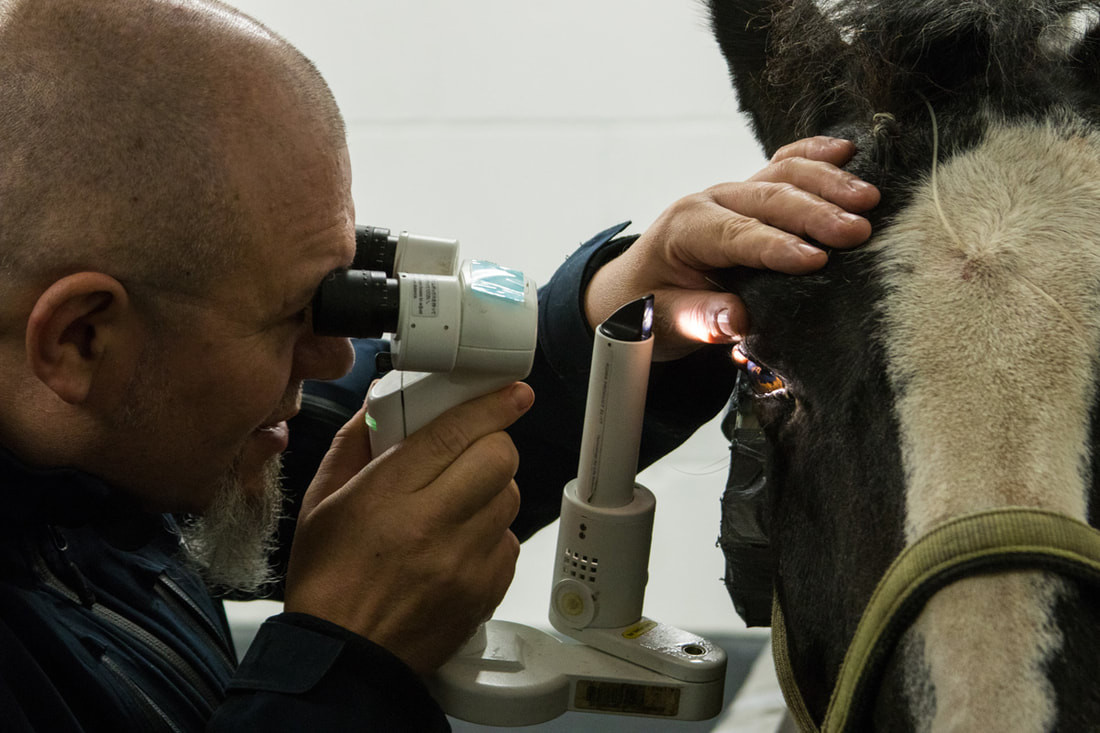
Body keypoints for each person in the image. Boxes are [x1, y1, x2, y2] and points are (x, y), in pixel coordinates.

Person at [0, 0, 880, 730]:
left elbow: (347, 450)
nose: (340, 351)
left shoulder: (100, 466)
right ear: (79, 339)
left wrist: (623, 307)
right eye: (292, 317)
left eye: (339, 293)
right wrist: (343, 662)